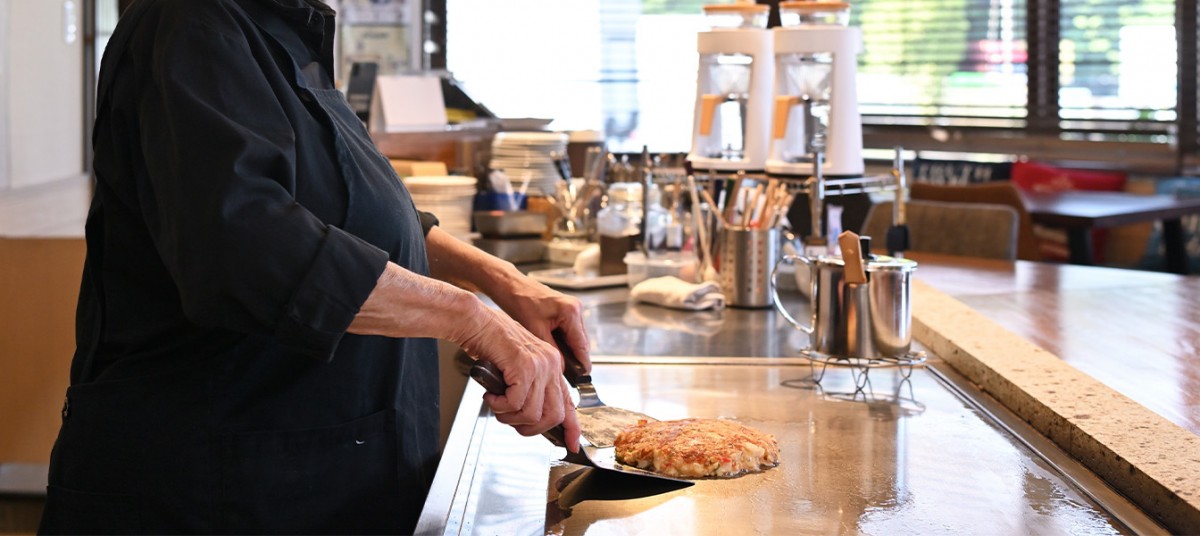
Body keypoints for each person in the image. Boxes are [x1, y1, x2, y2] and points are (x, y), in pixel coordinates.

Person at [38, 0, 589, 533]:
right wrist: (473, 318)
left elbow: (363, 213)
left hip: (314, 479)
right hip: (210, 491)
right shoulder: (191, 23)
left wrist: (502, 281)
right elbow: (249, 249)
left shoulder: (282, 28)